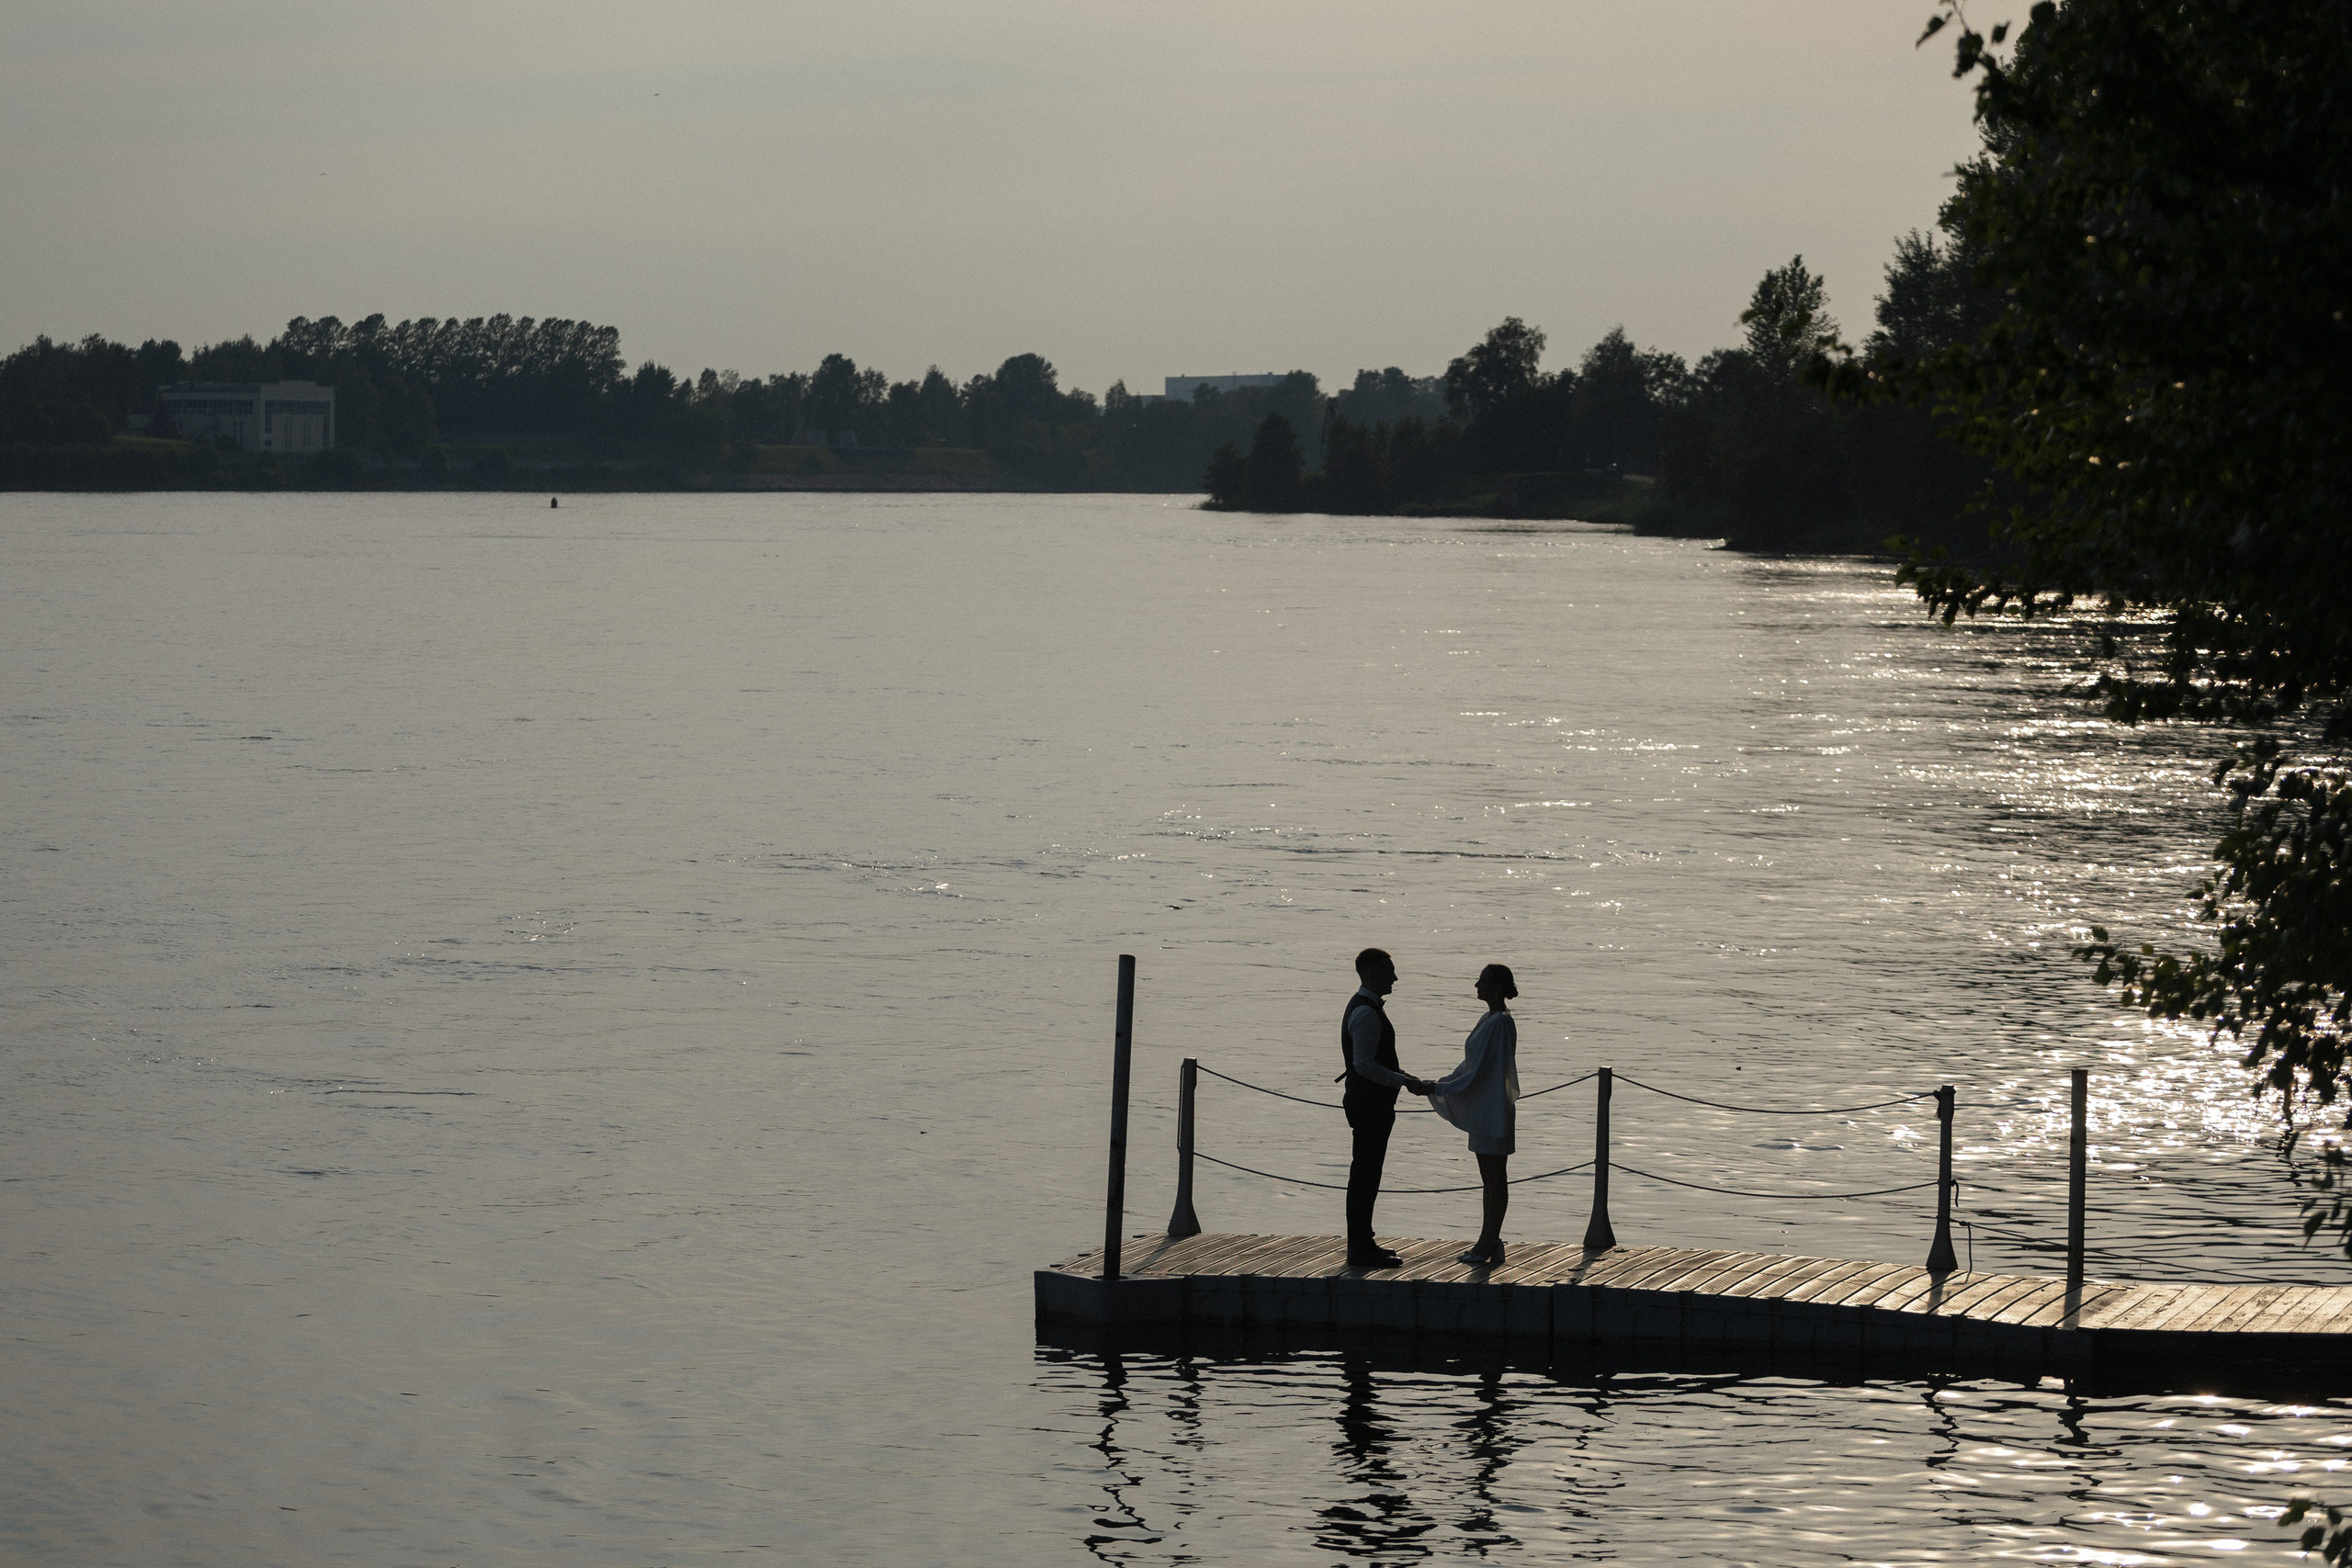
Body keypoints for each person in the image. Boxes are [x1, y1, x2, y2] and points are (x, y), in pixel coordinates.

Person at [1415, 964, 1520, 1268]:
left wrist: (1437, 1088)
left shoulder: (1500, 1022)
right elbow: (1469, 1067)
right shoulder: (1489, 1019)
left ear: (1497, 987)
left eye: (1483, 981)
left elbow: (1482, 1071)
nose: (1476, 984)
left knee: (1495, 1179)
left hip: (1493, 1111)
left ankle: (1488, 1241)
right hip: (1483, 1109)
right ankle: (1489, 1241)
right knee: (1490, 1179)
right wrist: (1439, 1086)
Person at [1339, 948, 1434, 1270]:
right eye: (1389, 971)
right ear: (1371, 973)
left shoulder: (1364, 1008)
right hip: (1370, 1105)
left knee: (1365, 1173)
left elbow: (1369, 1062)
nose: (1394, 977)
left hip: (1368, 1103)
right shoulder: (1366, 1013)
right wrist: (1402, 1082)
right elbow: (1364, 1065)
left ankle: (1363, 1241)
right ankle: (1360, 1247)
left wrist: (1402, 1076)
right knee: (1366, 1175)